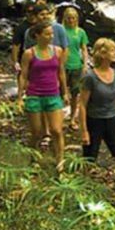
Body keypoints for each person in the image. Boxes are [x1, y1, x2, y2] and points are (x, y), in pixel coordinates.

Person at [80, 38, 115, 203]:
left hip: (111, 121)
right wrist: (84, 131)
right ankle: (82, 195)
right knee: (89, 163)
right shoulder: (90, 77)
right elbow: (82, 105)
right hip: (94, 122)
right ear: (103, 54)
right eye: (112, 50)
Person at [17, 21, 70, 170]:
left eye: (52, 34)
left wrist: (65, 92)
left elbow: (61, 72)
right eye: (47, 34)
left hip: (53, 95)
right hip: (34, 96)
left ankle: (60, 160)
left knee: (57, 130)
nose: (51, 36)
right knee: (36, 132)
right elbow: (23, 75)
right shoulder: (29, 54)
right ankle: (33, 157)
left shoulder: (58, 51)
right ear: (37, 36)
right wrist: (20, 97)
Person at [62, 7, 89, 130]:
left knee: (75, 94)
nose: (71, 20)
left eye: (73, 18)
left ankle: (72, 119)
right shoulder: (60, 31)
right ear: (65, 18)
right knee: (60, 92)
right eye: (68, 18)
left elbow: (84, 49)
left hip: (77, 65)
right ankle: (58, 118)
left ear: (77, 19)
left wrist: (85, 64)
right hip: (62, 65)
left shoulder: (81, 32)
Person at [11, 2, 37, 78]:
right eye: (29, 11)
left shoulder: (41, 25)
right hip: (25, 60)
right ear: (25, 13)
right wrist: (15, 62)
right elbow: (16, 45)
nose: (32, 14)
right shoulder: (21, 28)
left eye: (34, 11)